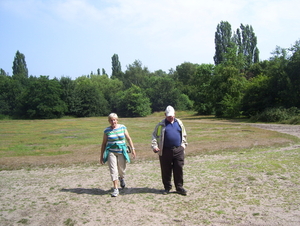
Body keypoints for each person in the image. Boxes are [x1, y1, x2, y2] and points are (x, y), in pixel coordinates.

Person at [151, 105, 188, 195]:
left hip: (178, 150)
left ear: (174, 114)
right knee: (166, 170)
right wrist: (154, 146)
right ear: (165, 114)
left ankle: (179, 187)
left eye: (171, 115)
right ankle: (167, 187)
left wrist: (183, 145)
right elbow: (154, 136)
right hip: (165, 151)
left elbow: (184, 135)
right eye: (168, 116)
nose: (170, 117)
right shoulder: (160, 125)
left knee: (178, 169)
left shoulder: (179, 123)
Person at [100, 113, 136, 197]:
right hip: (111, 152)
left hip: (121, 151)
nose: (113, 122)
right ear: (109, 121)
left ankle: (122, 178)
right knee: (113, 170)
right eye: (111, 120)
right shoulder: (107, 131)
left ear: (117, 120)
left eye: (114, 120)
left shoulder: (123, 127)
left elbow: (128, 138)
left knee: (122, 169)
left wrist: (133, 149)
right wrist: (101, 156)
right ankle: (115, 189)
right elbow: (103, 144)